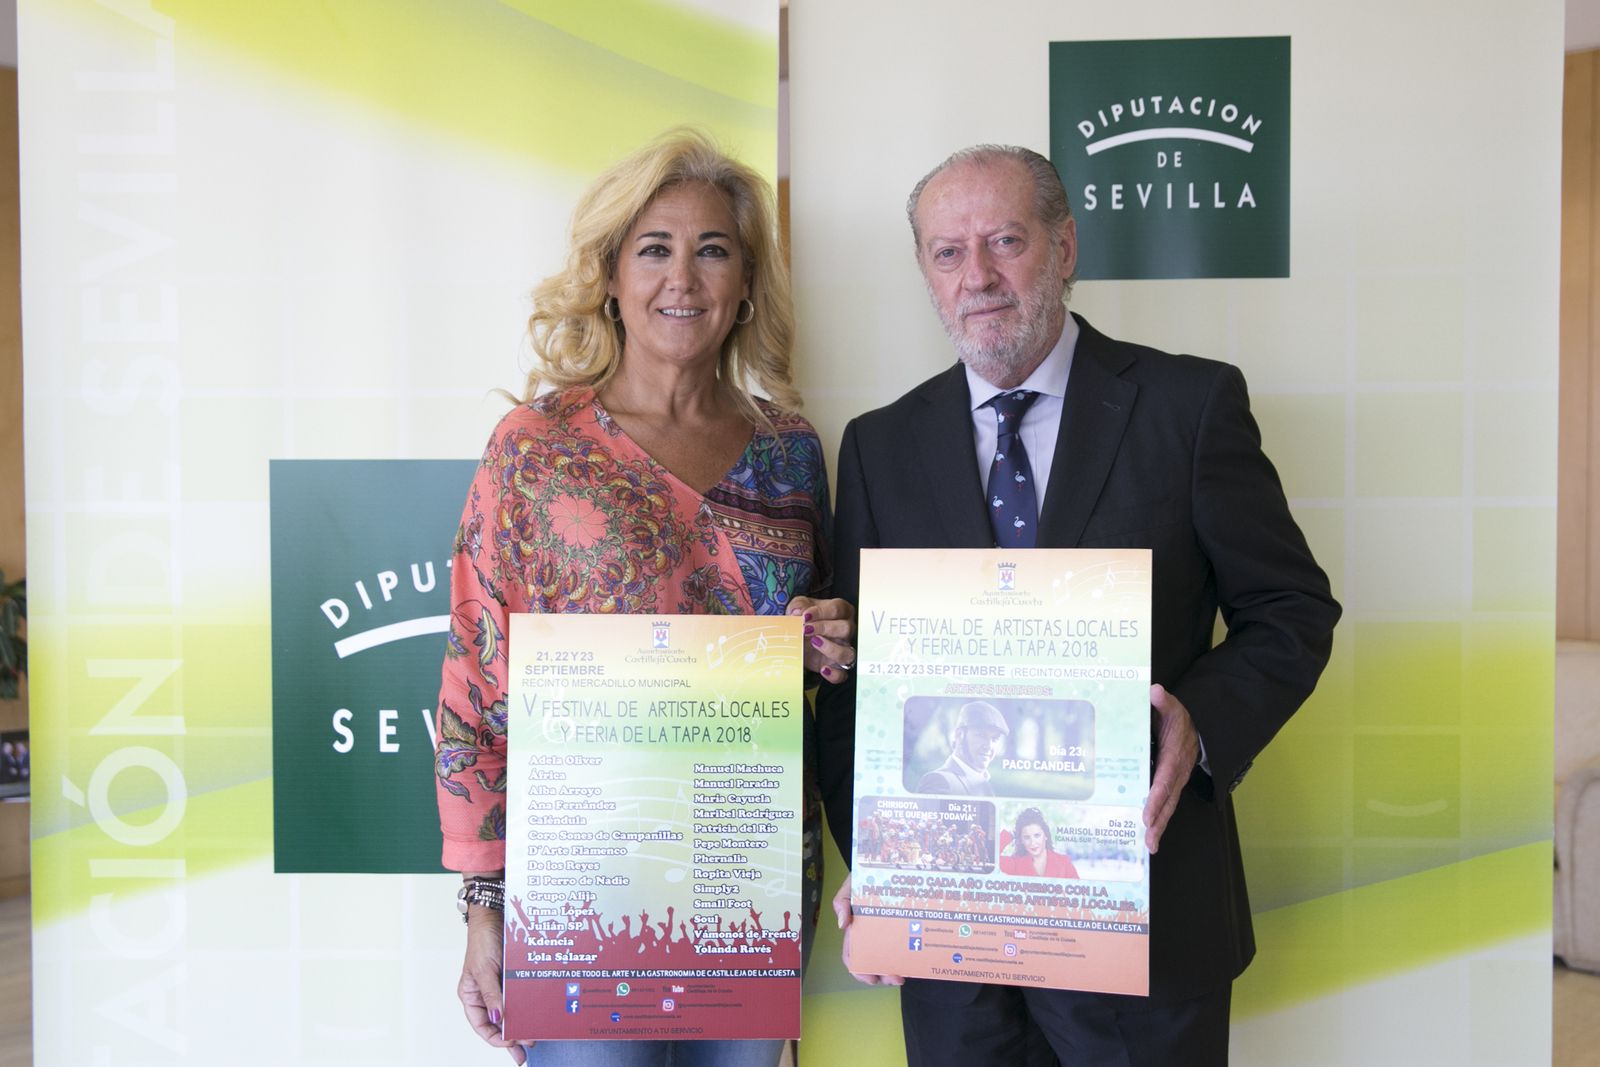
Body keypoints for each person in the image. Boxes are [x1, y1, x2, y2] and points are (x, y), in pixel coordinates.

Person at [819, 144, 1341, 1065]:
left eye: (1005, 240)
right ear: (926, 274)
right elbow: (856, 683)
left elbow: (1291, 609)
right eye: (947, 252)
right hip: (950, 938)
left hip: (1143, 918)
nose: (976, 274)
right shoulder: (877, 446)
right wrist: (872, 853)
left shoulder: (1190, 406)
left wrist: (1201, 725)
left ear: (1064, 247)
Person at [434, 129, 857, 1067]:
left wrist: (826, 645)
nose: (684, 277)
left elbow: (819, 674)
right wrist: (484, 908)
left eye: (713, 250)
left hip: (750, 880)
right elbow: (476, 690)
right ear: (612, 275)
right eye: (655, 248)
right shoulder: (534, 448)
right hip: (581, 887)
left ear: (746, 285)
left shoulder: (792, 452)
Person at [915, 700, 1008, 795]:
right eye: (981, 735)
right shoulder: (938, 781)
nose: (988, 746)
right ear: (959, 735)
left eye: (994, 739)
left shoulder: (984, 785)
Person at [996, 807, 1078, 879]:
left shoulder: (1064, 862)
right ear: (1021, 840)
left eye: (1037, 835)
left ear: (1045, 836)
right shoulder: (1016, 864)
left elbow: (1080, 892)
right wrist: (1010, 834)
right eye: (1027, 837)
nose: (1033, 843)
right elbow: (993, 858)